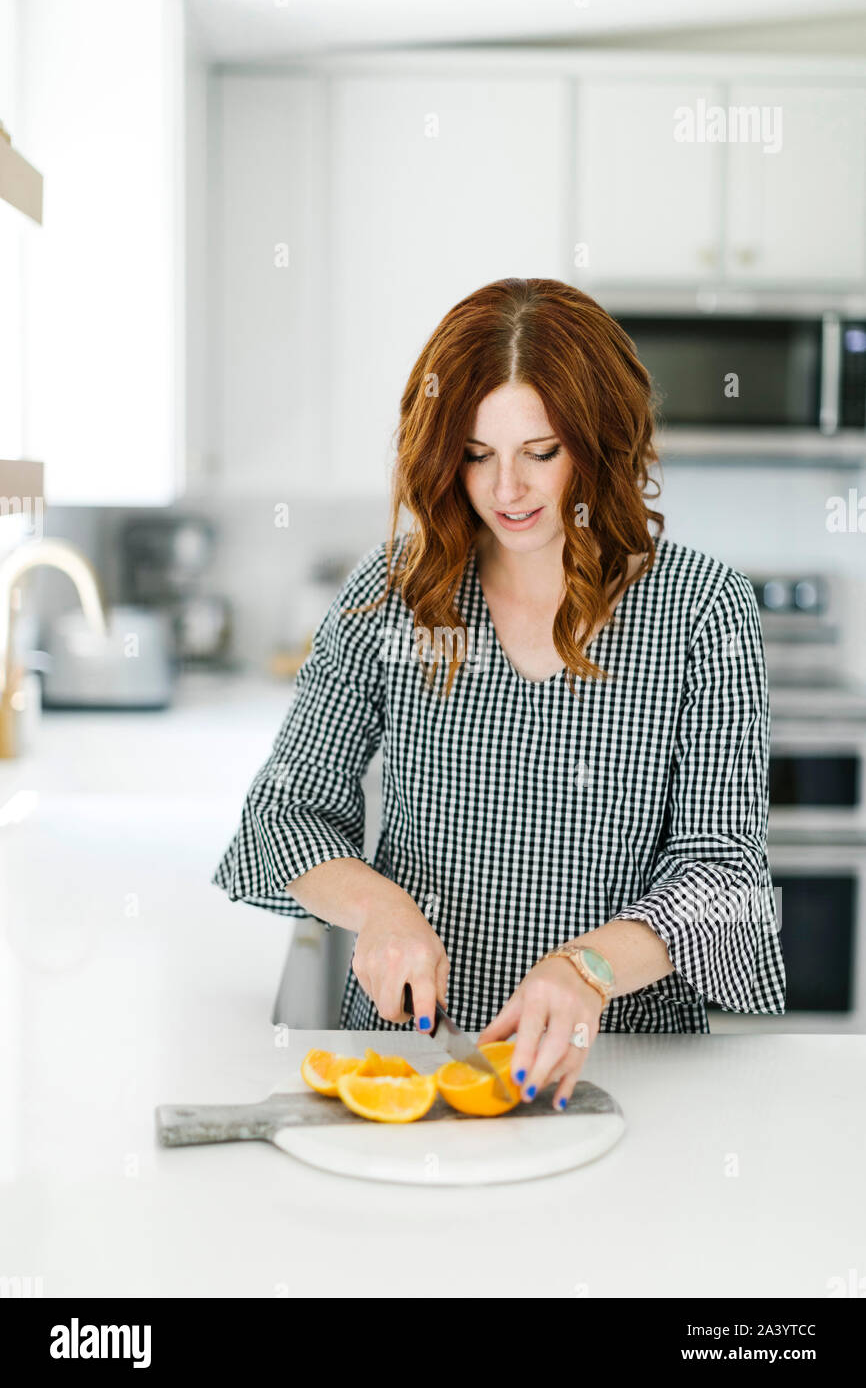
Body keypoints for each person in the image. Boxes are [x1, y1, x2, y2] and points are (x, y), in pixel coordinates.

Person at [213, 277, 785, 1111]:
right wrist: (382, 909)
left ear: (601, 442)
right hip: (412, 1059)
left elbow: (724, 876)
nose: (505, 490)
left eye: (540, 453)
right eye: (476, 455)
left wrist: (584, 968)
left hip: (625, 1065)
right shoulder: (394, 596)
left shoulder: (701, 610)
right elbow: (284, 813)